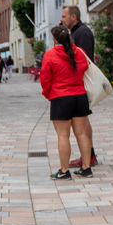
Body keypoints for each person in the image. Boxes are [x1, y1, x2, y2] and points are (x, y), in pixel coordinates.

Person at [41, 25, 92, 180]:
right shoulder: (79, 53)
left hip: (60, 97)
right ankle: (86, 168)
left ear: (55, 39)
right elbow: (85, 68)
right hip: (80, 97)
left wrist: (49, 94)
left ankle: (64, 171)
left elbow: (44, 78)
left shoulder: (50, 55)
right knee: (82, 133)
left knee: (63, 135)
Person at [60, 5, 98, 167]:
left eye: (64, 16)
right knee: (84, 121)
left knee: (83, 123)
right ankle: (89, 155)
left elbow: (84, 59)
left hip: (81, 83)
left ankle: (89, 156)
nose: (61, 19)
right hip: (77, 84)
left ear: (73, 17)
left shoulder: (81, 33)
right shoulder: (74, 32)